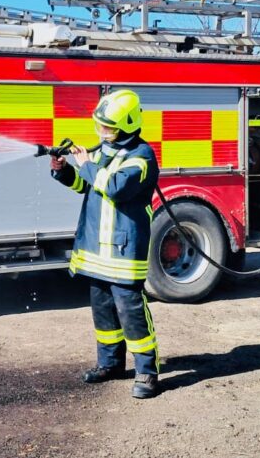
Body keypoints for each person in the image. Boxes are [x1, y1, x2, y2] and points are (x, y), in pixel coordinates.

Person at [50, 89, 161, 399]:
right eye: (100, 125)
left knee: (131, 311)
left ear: (127, 124)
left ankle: (147, 372)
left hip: (124, 250)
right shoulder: (104, 152)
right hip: (97, 250)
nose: (102, 132)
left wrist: (86, 163)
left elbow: (113, 187)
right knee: (102, 310)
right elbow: (85, 185)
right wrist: (63, 171)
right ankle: (110, 364)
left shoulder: (141, 157)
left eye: (108, 127)